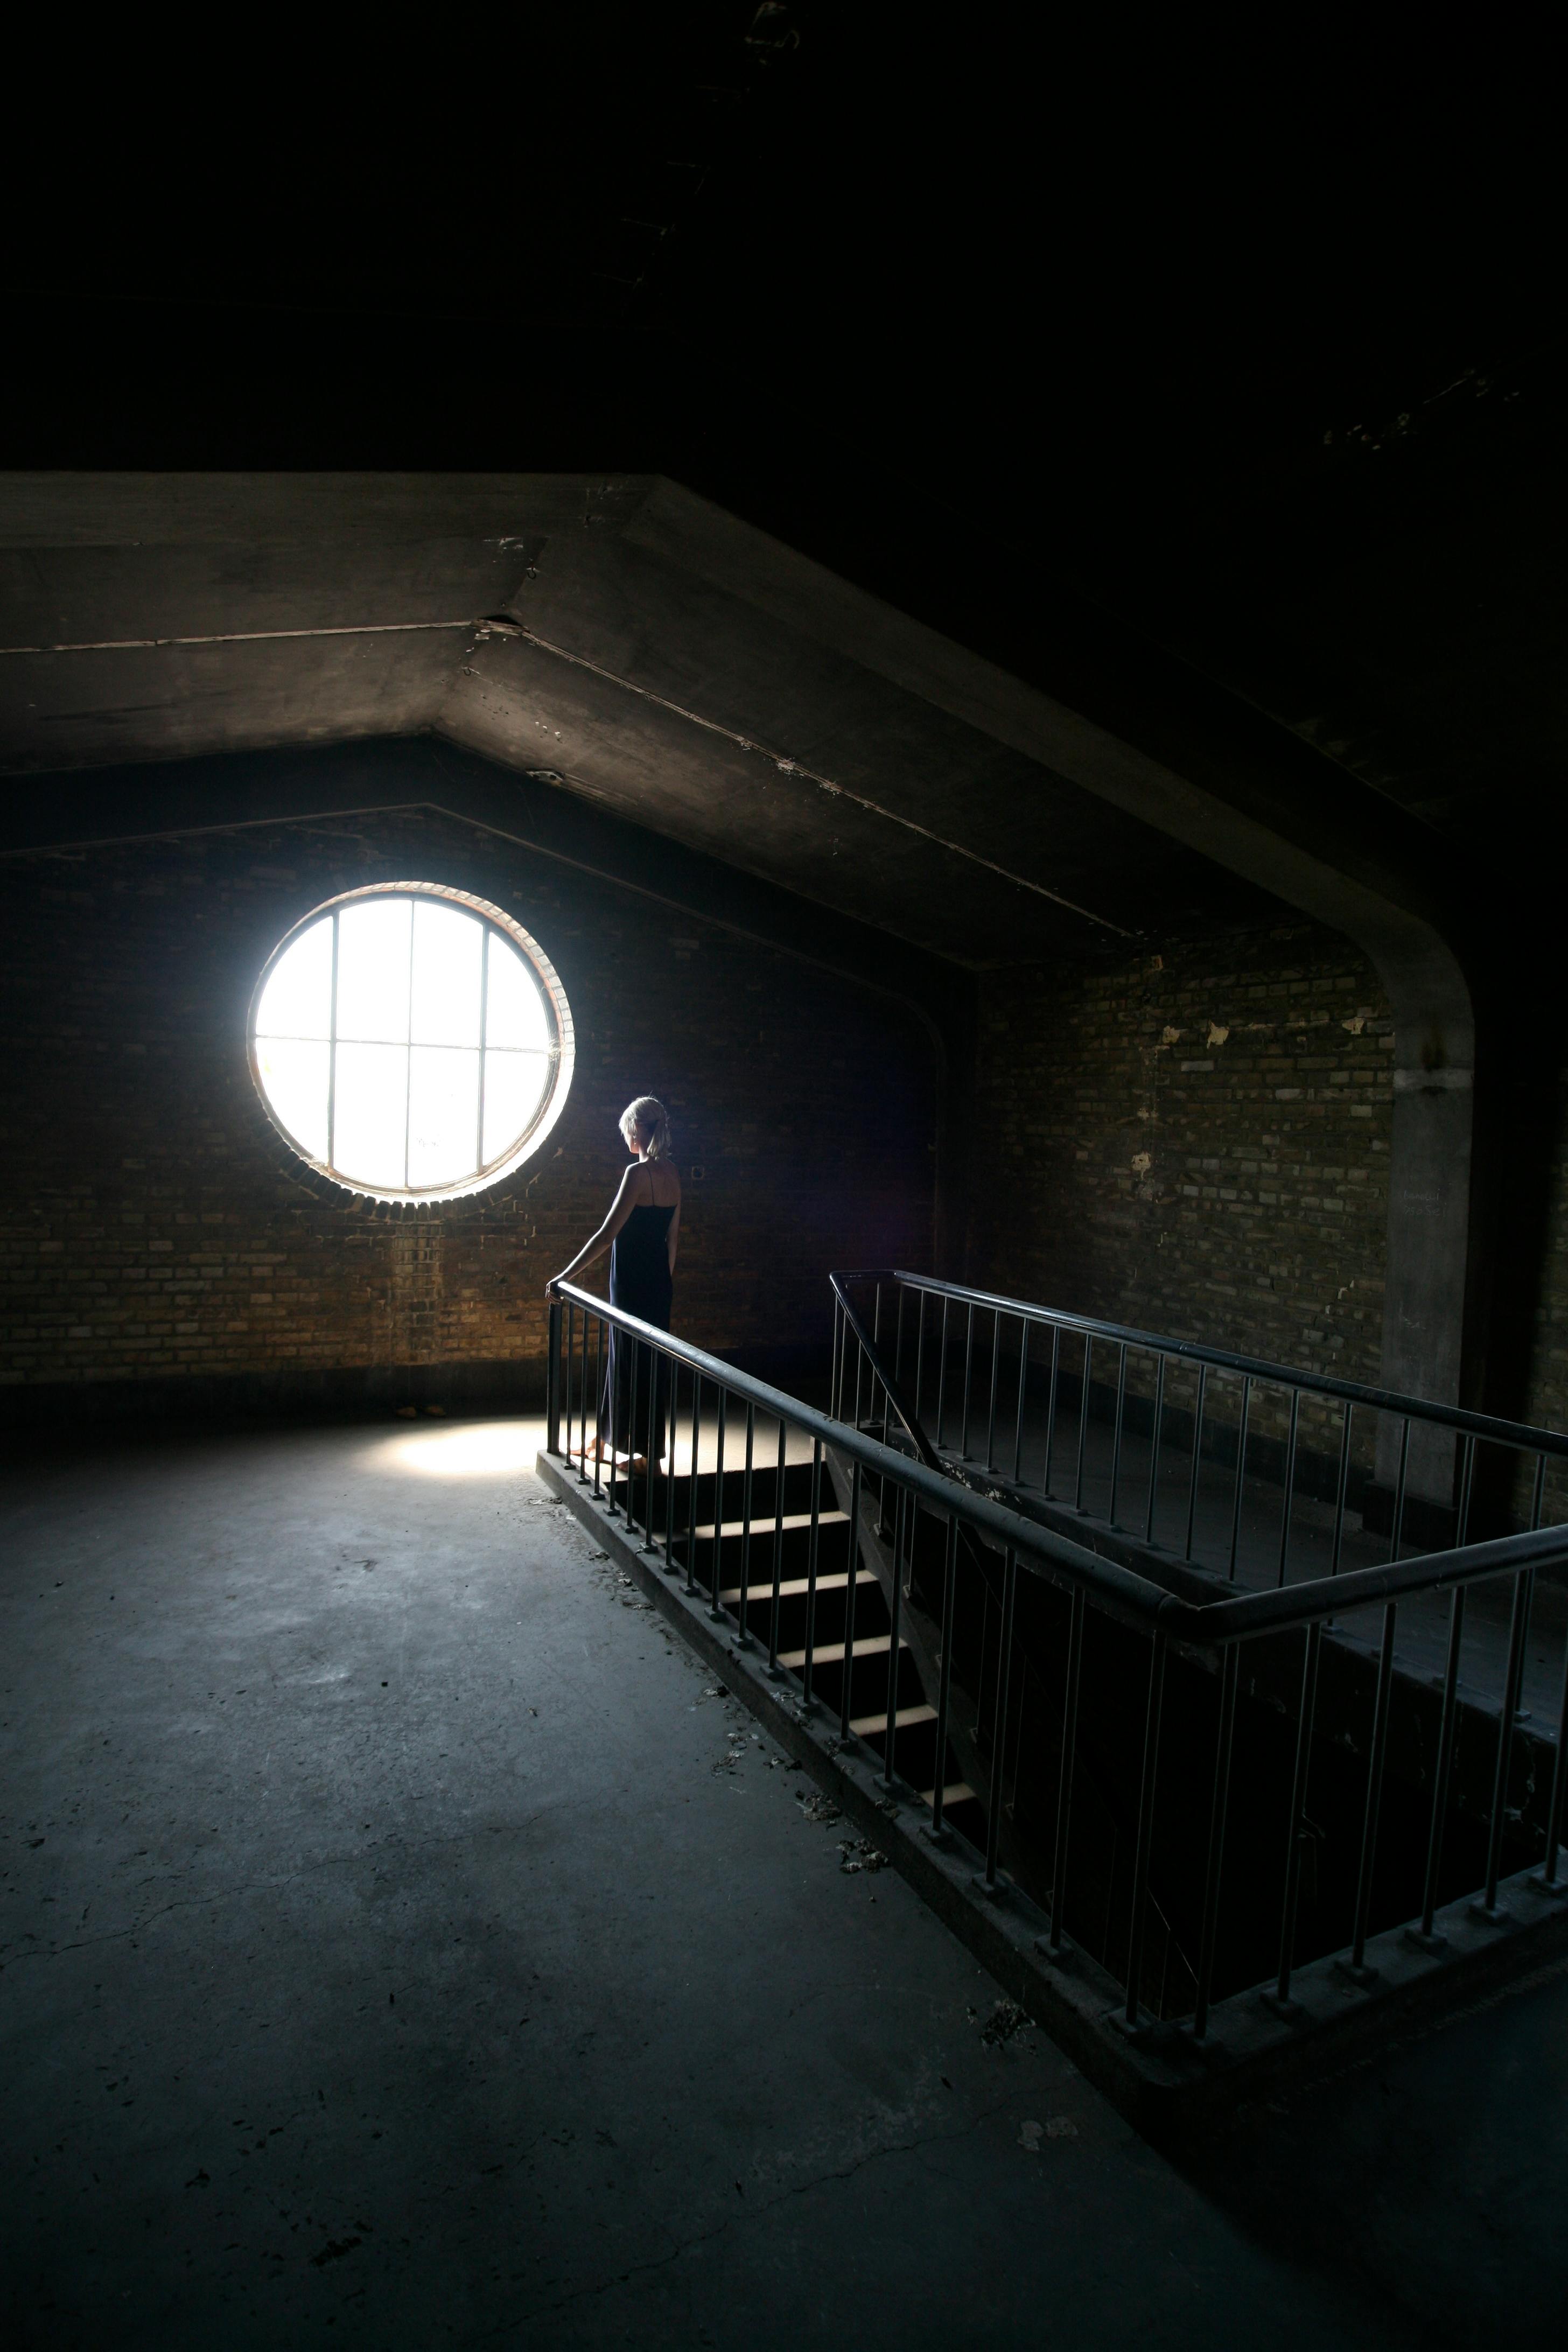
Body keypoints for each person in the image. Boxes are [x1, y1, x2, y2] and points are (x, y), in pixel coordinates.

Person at [548, 1096, 681, 1467]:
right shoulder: (672, 1173)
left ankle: (647, 1459)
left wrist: (564, 1276)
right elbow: (673, 1238)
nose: (625, 1138)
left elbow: (606, 1235)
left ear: (636, 1130)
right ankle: (607, 1441)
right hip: (658, 1284)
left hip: (630, 1284)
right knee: (645, 1363)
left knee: (626, 1361)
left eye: (626, 1131)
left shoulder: (637, 1174)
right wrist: (663, 1283)